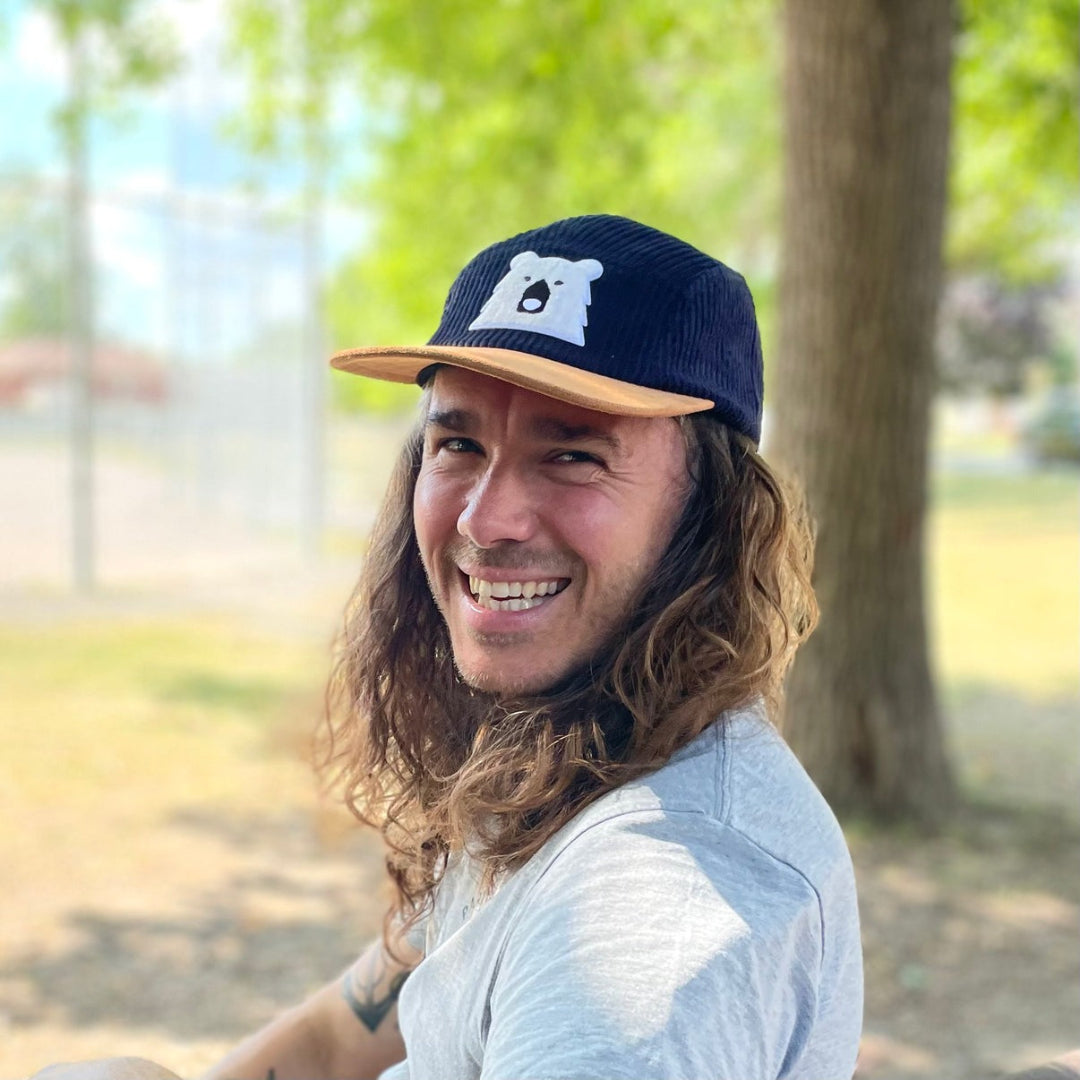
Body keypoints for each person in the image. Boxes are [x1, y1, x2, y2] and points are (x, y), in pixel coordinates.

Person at [32, 214, 864, 1080]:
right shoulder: (574, 746)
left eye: (573, 454)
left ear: (711, 513)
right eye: (459, 444)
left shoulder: (653, 911)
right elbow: (336, 1037)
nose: (483, 519)